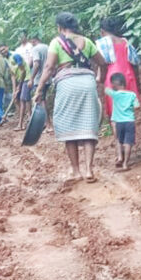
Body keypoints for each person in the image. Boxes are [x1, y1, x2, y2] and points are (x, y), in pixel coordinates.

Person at [33, 12, 106, 183]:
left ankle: (76, 171)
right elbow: (102, 62)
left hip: (67, 85)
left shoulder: (56, 42)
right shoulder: (86, 41)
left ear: (59, 27)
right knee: (89, 126)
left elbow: (49, 67)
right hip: (87, 84)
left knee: (69, 127)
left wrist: (39, 89)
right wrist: (99, 77)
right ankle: (89, 170)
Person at [96, 18, 141, 122]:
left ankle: (118, 133)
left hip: (113, 77)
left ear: (102, 31)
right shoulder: (125, 41)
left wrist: (99, 78)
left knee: (115, 114)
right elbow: (134, 62)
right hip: (128, 76)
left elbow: (101, 63)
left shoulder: (102, 43)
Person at [104, 72, 139, 171]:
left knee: (119, 140)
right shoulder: (132, 95)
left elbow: (106, 89)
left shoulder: (115, 94)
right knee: (128, 143)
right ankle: (125, 164)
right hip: (130, 121)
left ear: (114, 84)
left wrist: (110, 84)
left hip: (119, 122)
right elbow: (137, 106)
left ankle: (119, 157)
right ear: (124, 83)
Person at [9, 51, 30, 131]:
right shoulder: (7, 63)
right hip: (20, 81)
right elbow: (13, 76)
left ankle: (22, 124)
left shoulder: (16, 56)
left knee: (23, 99)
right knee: (16, 100)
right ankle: (23, 121)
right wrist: (14, 90)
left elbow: (23, 71)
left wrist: (19, 86)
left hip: (26, 79)